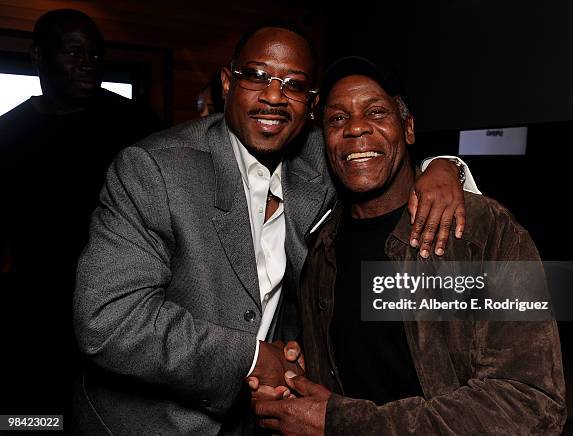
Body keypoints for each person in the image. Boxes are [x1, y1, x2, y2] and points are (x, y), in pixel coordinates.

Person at [73, 26, 478, 434]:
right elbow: (107, 320)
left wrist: (443, 167)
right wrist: (253, 358)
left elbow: (372, 148)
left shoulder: (317, 160)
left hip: (264, 421)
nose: (273, 96)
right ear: (228, 82)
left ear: (310, 104)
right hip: (151, 424)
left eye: (294, 85)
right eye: (257, 75)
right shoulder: (154, 170)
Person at [251, 57, 566, 435]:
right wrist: (294, 384)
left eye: (376, 111)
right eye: (337, 119)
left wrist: (342, 423)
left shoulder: (485, 231)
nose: (356, 128)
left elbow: (530, 403)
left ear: (409, 128)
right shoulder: (319, 250)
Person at [0, 8, 161, 417]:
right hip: (35, 307)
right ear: (39, 57)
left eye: (94, 53)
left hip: (118, 302)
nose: (88, 62)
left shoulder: (135, 123)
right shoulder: (9, 133)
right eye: (74, 51)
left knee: (106, 412)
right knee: (31, 414)